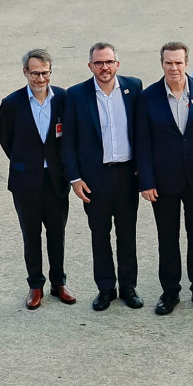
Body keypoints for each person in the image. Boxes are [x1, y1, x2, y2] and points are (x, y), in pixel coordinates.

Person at [134, 42, 193, 316]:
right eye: (168, 63)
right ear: (162, 64)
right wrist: (146, 182)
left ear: (186, 63)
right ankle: (170, 292)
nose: (174, 68)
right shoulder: (148, 97)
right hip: (163, 183)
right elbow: (142, 143)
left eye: (178, 63)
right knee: (167, 238)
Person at [60, 42, 144, 311]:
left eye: (109, 62)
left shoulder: (134, 88)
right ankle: (106, 288)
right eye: (98, 63)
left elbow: (143, 131)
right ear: (90, 66)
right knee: (99, 234)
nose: (104, 67)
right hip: (94, 178)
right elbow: (69, 140)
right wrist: (75, 178)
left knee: (127, 233)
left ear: (117, 64)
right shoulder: (76, 94)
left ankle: (128, 287)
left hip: (127, 174)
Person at [0, 49, 76, 310]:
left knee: (57, 234)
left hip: (55, 180)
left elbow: (71, 137)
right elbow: (6, 141)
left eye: (45, 73)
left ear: (50, 72)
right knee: (31, 235)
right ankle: (35, 285)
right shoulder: (11, 104)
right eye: (35, 73)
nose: (40, 78)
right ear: (25, 73)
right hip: (26, 181)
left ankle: (58, 283)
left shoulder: (64, 98)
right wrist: (27, 163)